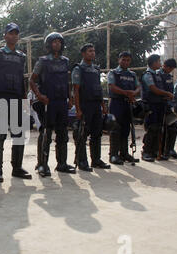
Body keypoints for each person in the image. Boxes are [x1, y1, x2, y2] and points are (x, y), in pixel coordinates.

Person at [0, 23, 32, 182]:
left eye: (16, 34)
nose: (13, 36)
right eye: (10, 33)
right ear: (5, 36)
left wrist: (26, 102)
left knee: (19, 136)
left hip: (18, 99)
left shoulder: (22, 56)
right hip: (1, 99)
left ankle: (17, 168)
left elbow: (22, 81)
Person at [29, 32, 76, 177]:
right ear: (49, 45)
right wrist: (39, 95)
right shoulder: (43, 61)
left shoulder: (65, 61)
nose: (57, 44)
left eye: (59, 42)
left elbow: (67, 82)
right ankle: (42, 164)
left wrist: (70, 99)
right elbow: (32, 80)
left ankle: (62, 163)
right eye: (54, 42)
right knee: (46, 133)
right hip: (48, 102)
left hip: (61, 102)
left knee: (62, 134)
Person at [71, 43, 110, 172]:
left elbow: (98, 89)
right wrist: (78, 109)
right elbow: (76, 90)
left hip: (95, 105)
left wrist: (103, 106)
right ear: (83, 54)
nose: (92, 53)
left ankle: (96, 160)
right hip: (84, 104)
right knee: (82, 134)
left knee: (97, 133)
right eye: (89, 51)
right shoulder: (78, 69)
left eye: (93, 51)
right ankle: (82, 160)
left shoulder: (96, 69)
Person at [107, 52, 141, 165]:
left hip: (128, 104)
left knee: (126, 130)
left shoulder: (132, 74)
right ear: (119, 60)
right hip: (117, 103)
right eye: (123, 59)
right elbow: (112, 87)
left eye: (128, 60)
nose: (125, 62)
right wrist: (126, 93)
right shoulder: (113, 73)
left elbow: (138, 87)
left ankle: (124, 153)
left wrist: (133, 93)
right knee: (115, 129)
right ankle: (113, 155)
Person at [140, 54, 174, 162]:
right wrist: (167, 93)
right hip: (151, 105)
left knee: (159, 129)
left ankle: (155, 152)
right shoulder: (148, 74)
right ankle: (146, 152)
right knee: (152, 128)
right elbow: (153, 89)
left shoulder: (158, 75)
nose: (160, 63)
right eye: (159, 61)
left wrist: (165, 95)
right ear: (154, 62)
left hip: (160, 104)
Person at [158, 58, 177, 159]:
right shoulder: (158, 74)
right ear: (165, 66)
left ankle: (169, 149)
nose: (170, 71)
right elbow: (158, 90)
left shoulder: (169, 76)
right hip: (159, 104)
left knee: (174, 125)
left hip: (168, 105)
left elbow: (171, 90)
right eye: (170, 68)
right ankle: (158, 150)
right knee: (158, 128)